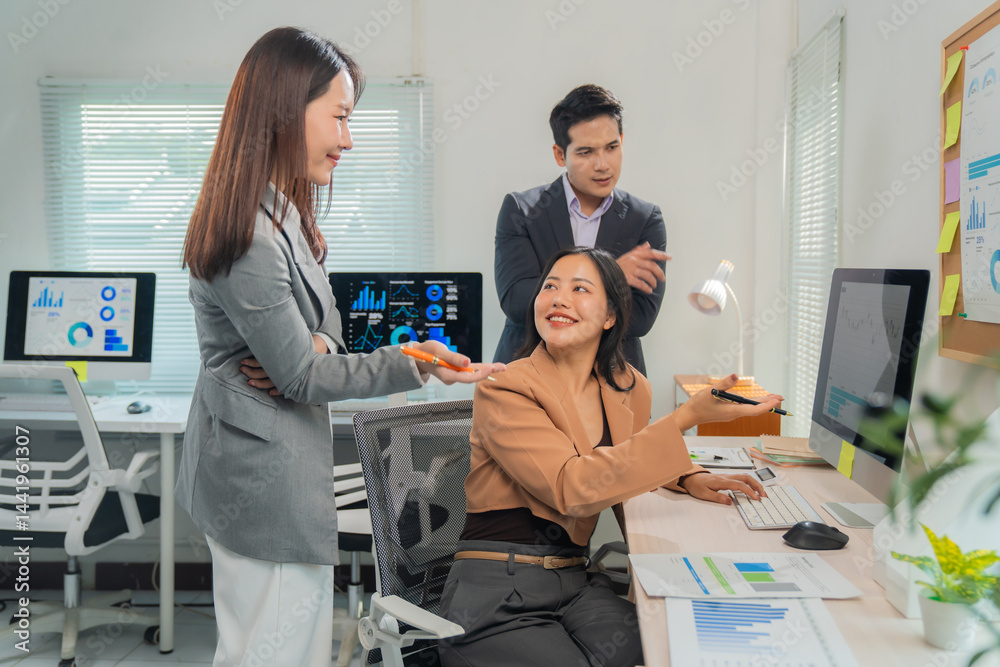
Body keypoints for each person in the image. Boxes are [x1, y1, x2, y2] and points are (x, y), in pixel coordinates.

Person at [176, 27, 504, 667]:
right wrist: (419, 360)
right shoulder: (251, 235)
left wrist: (319, 344)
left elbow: (326, 322)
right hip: (260, 483)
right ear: (283, 109)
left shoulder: (284, 214)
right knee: (268, 654)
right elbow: (299, 377)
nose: (348, 139)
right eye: (340, 117)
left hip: (274, 469)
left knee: (279, 647)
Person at [439, 247, 779, 667]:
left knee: (674, 643)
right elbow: (572, 486)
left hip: (574, 581)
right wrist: (684, 420)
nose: (559, 298)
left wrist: (688, 476)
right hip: (496, 588)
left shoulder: (628, 385)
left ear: (610, 316)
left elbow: (627, 453)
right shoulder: (505, 388)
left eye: (579, 289)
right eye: (550, 287)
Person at [493, 84, 671, 376]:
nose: (603, 165)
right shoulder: (522, 210)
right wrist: (610, 275)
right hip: (529, 377)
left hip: (611, 380)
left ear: (622, 141)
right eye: (586, 152)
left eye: (612, 147)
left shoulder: (645, 219)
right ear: (560, 155)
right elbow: (517, 301)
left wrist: (556, 297)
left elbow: (641, 319)